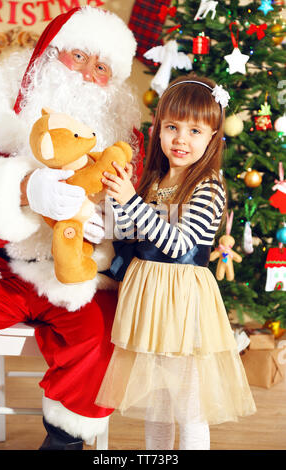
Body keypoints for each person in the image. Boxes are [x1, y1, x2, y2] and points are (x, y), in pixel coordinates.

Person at [0, 6, 144, 449]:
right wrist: (21, 190)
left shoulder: (125, 137)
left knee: (107, 335)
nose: (87, 75)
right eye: (79, 57)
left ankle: (64, 442)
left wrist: (109, 228)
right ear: (50, 51)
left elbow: (138, 210)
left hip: (74, 274)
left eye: (101, 68)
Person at [95, 74, 257, 450]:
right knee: (158, 405)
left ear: (213, 138)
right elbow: (131, 238)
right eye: (172, 127)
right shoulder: (154, 179)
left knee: (188, 404)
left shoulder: (208, 185)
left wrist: (132, 203)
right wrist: (117, 201)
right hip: (148, 299)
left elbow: (177, 243)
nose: (181, 139)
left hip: (183, 302)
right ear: (159, 130)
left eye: (195, 130)